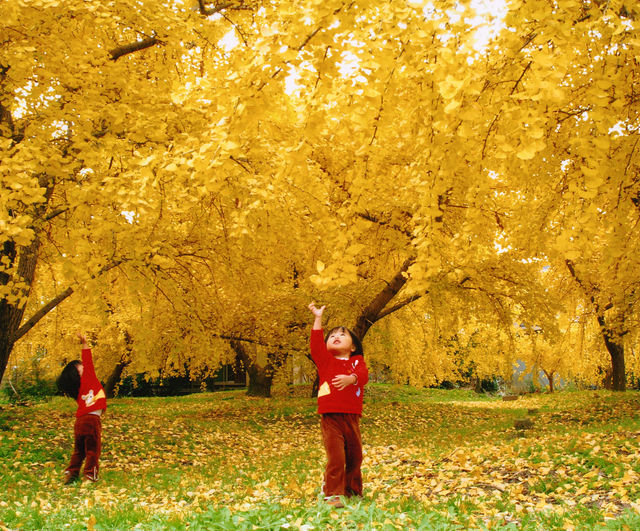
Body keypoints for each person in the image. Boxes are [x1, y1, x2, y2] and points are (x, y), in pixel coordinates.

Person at [308, 302, 369, 508]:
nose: (336, 336)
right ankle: (333, 494)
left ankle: (353, 491)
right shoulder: (325, 360)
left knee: (355, 456)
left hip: (352, 416)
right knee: (336, 457)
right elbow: (315, 344)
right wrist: (318, 318)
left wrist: (351, 378)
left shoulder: (357, 361)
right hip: (331, 417)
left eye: (342, 335)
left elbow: (363, 375)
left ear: (352, 346)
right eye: (332, 335)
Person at [56, 333, 107, 484]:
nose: (86, 366)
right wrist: (84, 343)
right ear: (79, 375)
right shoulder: (88, 379)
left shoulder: (77, 391)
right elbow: (88, 359)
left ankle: (71, 473)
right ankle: (90, 475)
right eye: (82, 367)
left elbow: (87, 363)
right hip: (91, 420)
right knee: (92, 450)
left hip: (80, 422)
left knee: (79, 450)